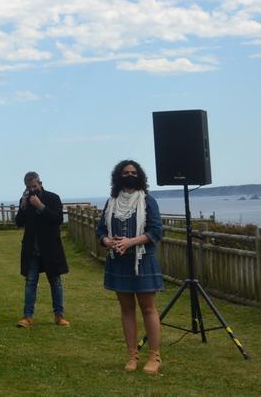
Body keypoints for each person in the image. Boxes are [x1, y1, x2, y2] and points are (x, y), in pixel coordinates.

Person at [96, 159, 164, 374]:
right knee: (126, 309)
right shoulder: (111, 203)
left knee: (148, 308)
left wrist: (130, 242)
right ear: (118, 176)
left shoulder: (148, 201)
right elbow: (100, 231)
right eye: (125, 172)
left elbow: (156, 231)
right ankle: (132, 355)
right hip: (119, 262)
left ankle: (155, 356)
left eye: (133, 172)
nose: (129, 175)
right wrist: (108, 242)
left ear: (140, 176)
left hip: (143, 260)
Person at [14, 172, 70, 328]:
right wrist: (23, 207)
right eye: (29, 187)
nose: (32, 189)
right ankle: (27, 317)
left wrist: (41, 206)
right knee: (30, 282)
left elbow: (58, 219)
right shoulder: (24, 200)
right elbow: (18, 223)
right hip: (32, 248)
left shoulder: (53, 198)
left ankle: (59, 316)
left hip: (51, 248)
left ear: (40, 183)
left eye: (34, 186)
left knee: (55, 282)